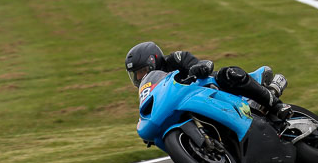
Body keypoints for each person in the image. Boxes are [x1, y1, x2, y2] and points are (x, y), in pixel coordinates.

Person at [125, 41, 291, 119]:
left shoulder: (176, 59)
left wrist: (199, 68)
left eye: (142, 71)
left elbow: (198, 63)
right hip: (193, 107)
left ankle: (276, 104)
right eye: (136, 75)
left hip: (211, 90)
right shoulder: (153, 92)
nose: (141, 77)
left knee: (227, 73)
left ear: (154, 60)